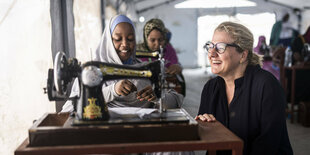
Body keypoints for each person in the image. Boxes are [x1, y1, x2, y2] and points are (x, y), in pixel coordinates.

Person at [195, 22, 293, 155]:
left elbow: (268, 144)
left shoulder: (266, 85)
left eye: (220, 47)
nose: (211, 53)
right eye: (210, 46)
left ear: (243, 55)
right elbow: (206, 141)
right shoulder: (210, 88)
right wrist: (203, 126)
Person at [61, 15, 183, 112]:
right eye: (118, 39)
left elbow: (177, 101)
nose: (125, 44)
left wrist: (158, 97)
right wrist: (112, 91)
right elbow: (68, 109)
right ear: (108, 41)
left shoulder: (143, 68)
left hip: (140, 133)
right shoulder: (91, 72)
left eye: (130, 39)